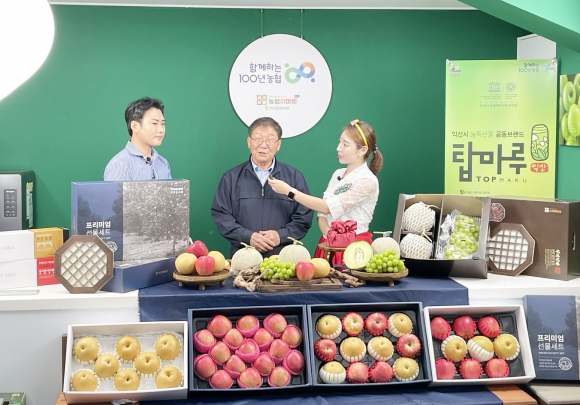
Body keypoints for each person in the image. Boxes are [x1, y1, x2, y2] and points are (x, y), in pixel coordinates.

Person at [268, 119, 383, 264]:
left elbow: (326, 207)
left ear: (362, 150)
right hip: (327, 244)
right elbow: (321, 214)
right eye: (339, 142)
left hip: (353, 248)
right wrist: (330, 235)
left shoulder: (368, 181)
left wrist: (289, 191)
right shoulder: (338, 174)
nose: (338, 148)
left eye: (345, 144)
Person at [211, 117, 313, 258]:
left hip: (283, 258)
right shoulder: (231, 178)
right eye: (258, 139)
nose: (263, 145)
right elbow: (221, 216)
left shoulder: (294, 177)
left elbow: (304, 217)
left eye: (270, 140)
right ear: (249, 142)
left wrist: (280, 236)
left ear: (278, 145)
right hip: (243, 257)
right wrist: (248, 237)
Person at [104, 97, 171, 181]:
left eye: (162, 124)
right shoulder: (120, 164)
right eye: (154, 123)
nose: (161, 130)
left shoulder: (163, 163)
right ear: (134, 126)